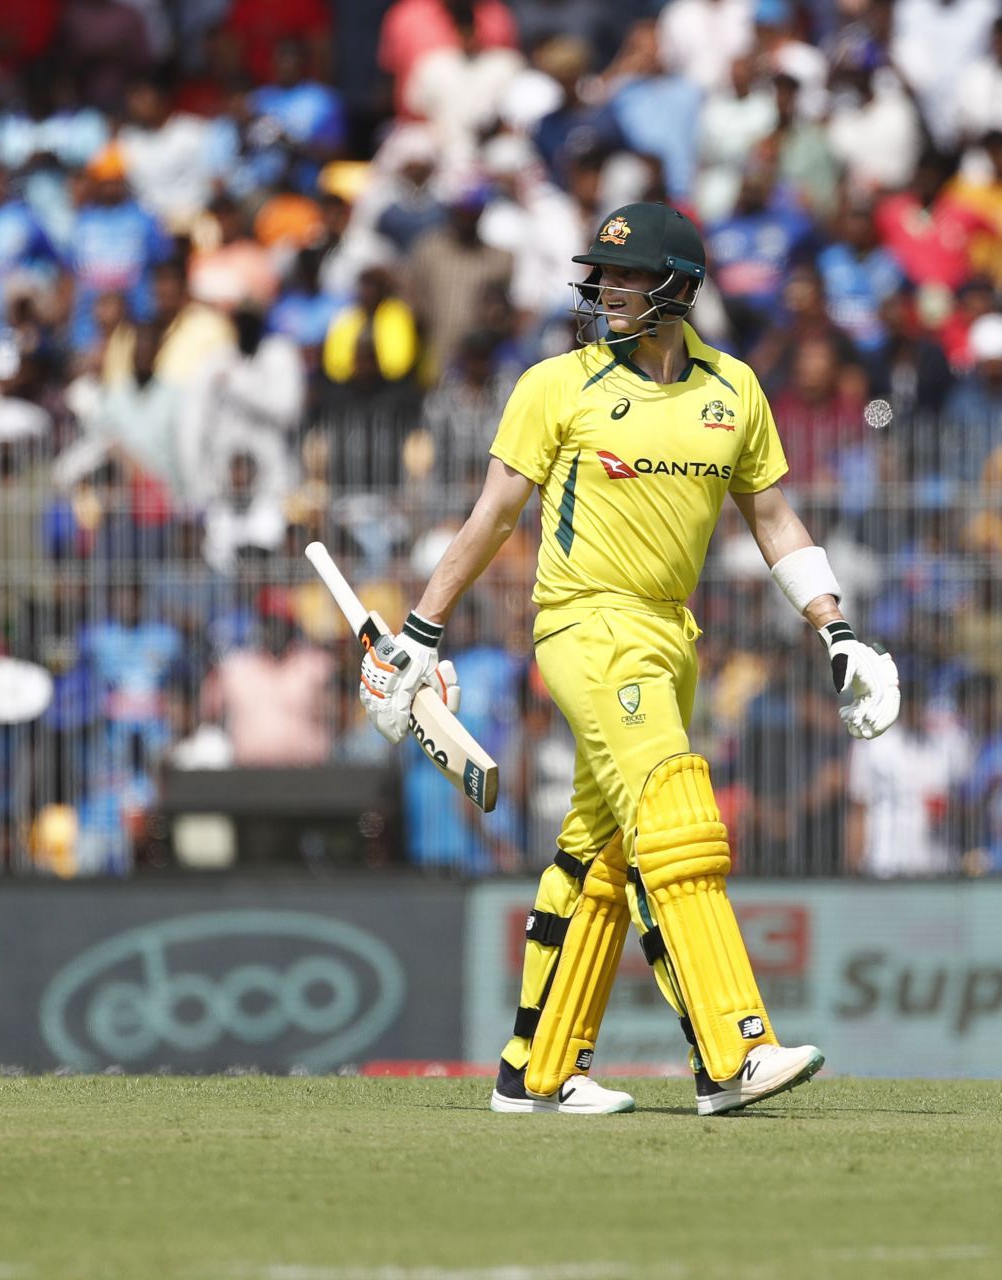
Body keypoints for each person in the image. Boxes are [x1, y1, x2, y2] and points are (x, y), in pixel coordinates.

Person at [355, 202, 900, 1116]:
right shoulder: (555, 385)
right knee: (676, 813)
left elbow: (774, 519)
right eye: (600, 275)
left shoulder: (734, 389)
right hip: (584, 625)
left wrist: (836, 629)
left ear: (678, 289)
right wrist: (421, 632)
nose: (605, 290)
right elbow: (492, 515)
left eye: (627, 276)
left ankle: (537, 1070)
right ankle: (733, 1052)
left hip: (667, 632)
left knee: (600, 853)